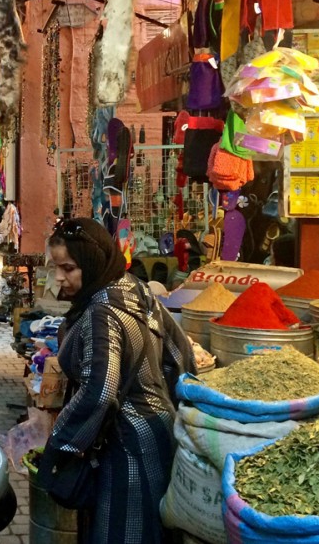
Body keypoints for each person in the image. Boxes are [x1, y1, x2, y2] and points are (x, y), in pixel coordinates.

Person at [44, 218, 195, 543]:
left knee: (123, 532)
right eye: (56, 267)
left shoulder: (102, 312)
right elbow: (180, 354)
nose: (59, 278)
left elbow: (98, 392)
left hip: (126, 447)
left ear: (91, 261)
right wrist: (171, 404)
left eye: (68, 268)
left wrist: (59, 443)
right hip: (158, 432)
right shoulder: (132, 287)